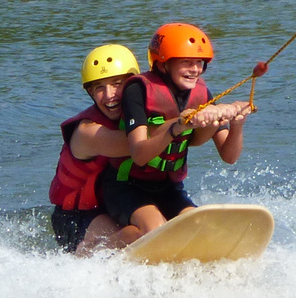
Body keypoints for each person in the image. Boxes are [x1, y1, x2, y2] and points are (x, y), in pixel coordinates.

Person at [100, 22, 253, 234]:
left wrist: (237, 124)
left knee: (199, 227)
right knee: (156, 227)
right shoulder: (137, 90)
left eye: (199, 62)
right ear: (163, 64)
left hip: (168, 187)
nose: (195, 69)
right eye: (186, 62)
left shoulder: (201, 94)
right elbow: (139, 154)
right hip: (125, 186)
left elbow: (229, 156)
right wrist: (179, 126)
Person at [49, 44, 148, 254]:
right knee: (137, 235)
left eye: (117, 84)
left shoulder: (138, 117)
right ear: (91, 93)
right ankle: (85, 258)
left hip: (115, 204)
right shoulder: (88, 133)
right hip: (75, 217)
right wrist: (183, 123)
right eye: (99, 88)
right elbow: (139, 145)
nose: (109, 95)